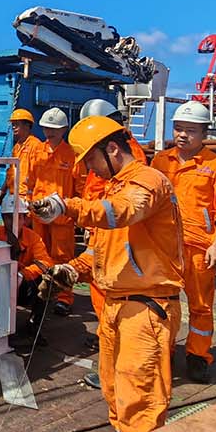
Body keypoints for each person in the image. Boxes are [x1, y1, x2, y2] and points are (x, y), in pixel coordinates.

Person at [32, 115, 184, 432]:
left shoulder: (147, 182)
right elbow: (103, 249)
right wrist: (70, 270)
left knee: (142, 402)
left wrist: (69, 206)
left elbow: (118, 215)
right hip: (118, 309)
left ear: (111, 149)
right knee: (116, 393)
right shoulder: (116, 186)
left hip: (145, 311)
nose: (88, 170)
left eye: (90, 161)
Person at [151, 101, 216, 383]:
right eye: (178, 129)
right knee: (163, 303)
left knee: (200, 306)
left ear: (204, 133)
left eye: (190, 130)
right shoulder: (160, 162)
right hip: (165, 248)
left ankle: (198, 356)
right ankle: (164, 350)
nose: (183, 135)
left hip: (200, 249)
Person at [71, 97, 146, 387]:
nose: (91, 164)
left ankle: (117, 368)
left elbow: (117, 203)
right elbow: (94, 191)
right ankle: (111, 364)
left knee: (112, 304)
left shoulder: (129, 162)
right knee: (103, 301)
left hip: (116, 238)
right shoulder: (109, 155)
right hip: (102, 232)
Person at [23, 108, 77, 314]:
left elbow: (79, 185)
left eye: (54, 128)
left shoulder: (72, 154)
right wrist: (28, 206)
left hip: (62, 216)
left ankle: (64, 297)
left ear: (64, 129)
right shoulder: (37, 151)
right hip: (39, 214)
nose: (50, 132)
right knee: (38, 254)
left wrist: (79, 213)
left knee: (63, 257)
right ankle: (39, 290)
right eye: (46, 128)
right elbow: (29, 180)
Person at [0, 107, 45, 234]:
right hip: (15, 198)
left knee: (25, 235)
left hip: (27, 201)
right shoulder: (17, 147)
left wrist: (31, 201)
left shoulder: (36, 146)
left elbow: (39, 177)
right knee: (13, 233)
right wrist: (2, 190)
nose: (13, 128)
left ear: (27, 125)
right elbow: (11, 173)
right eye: (13, 125)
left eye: (16, 124)